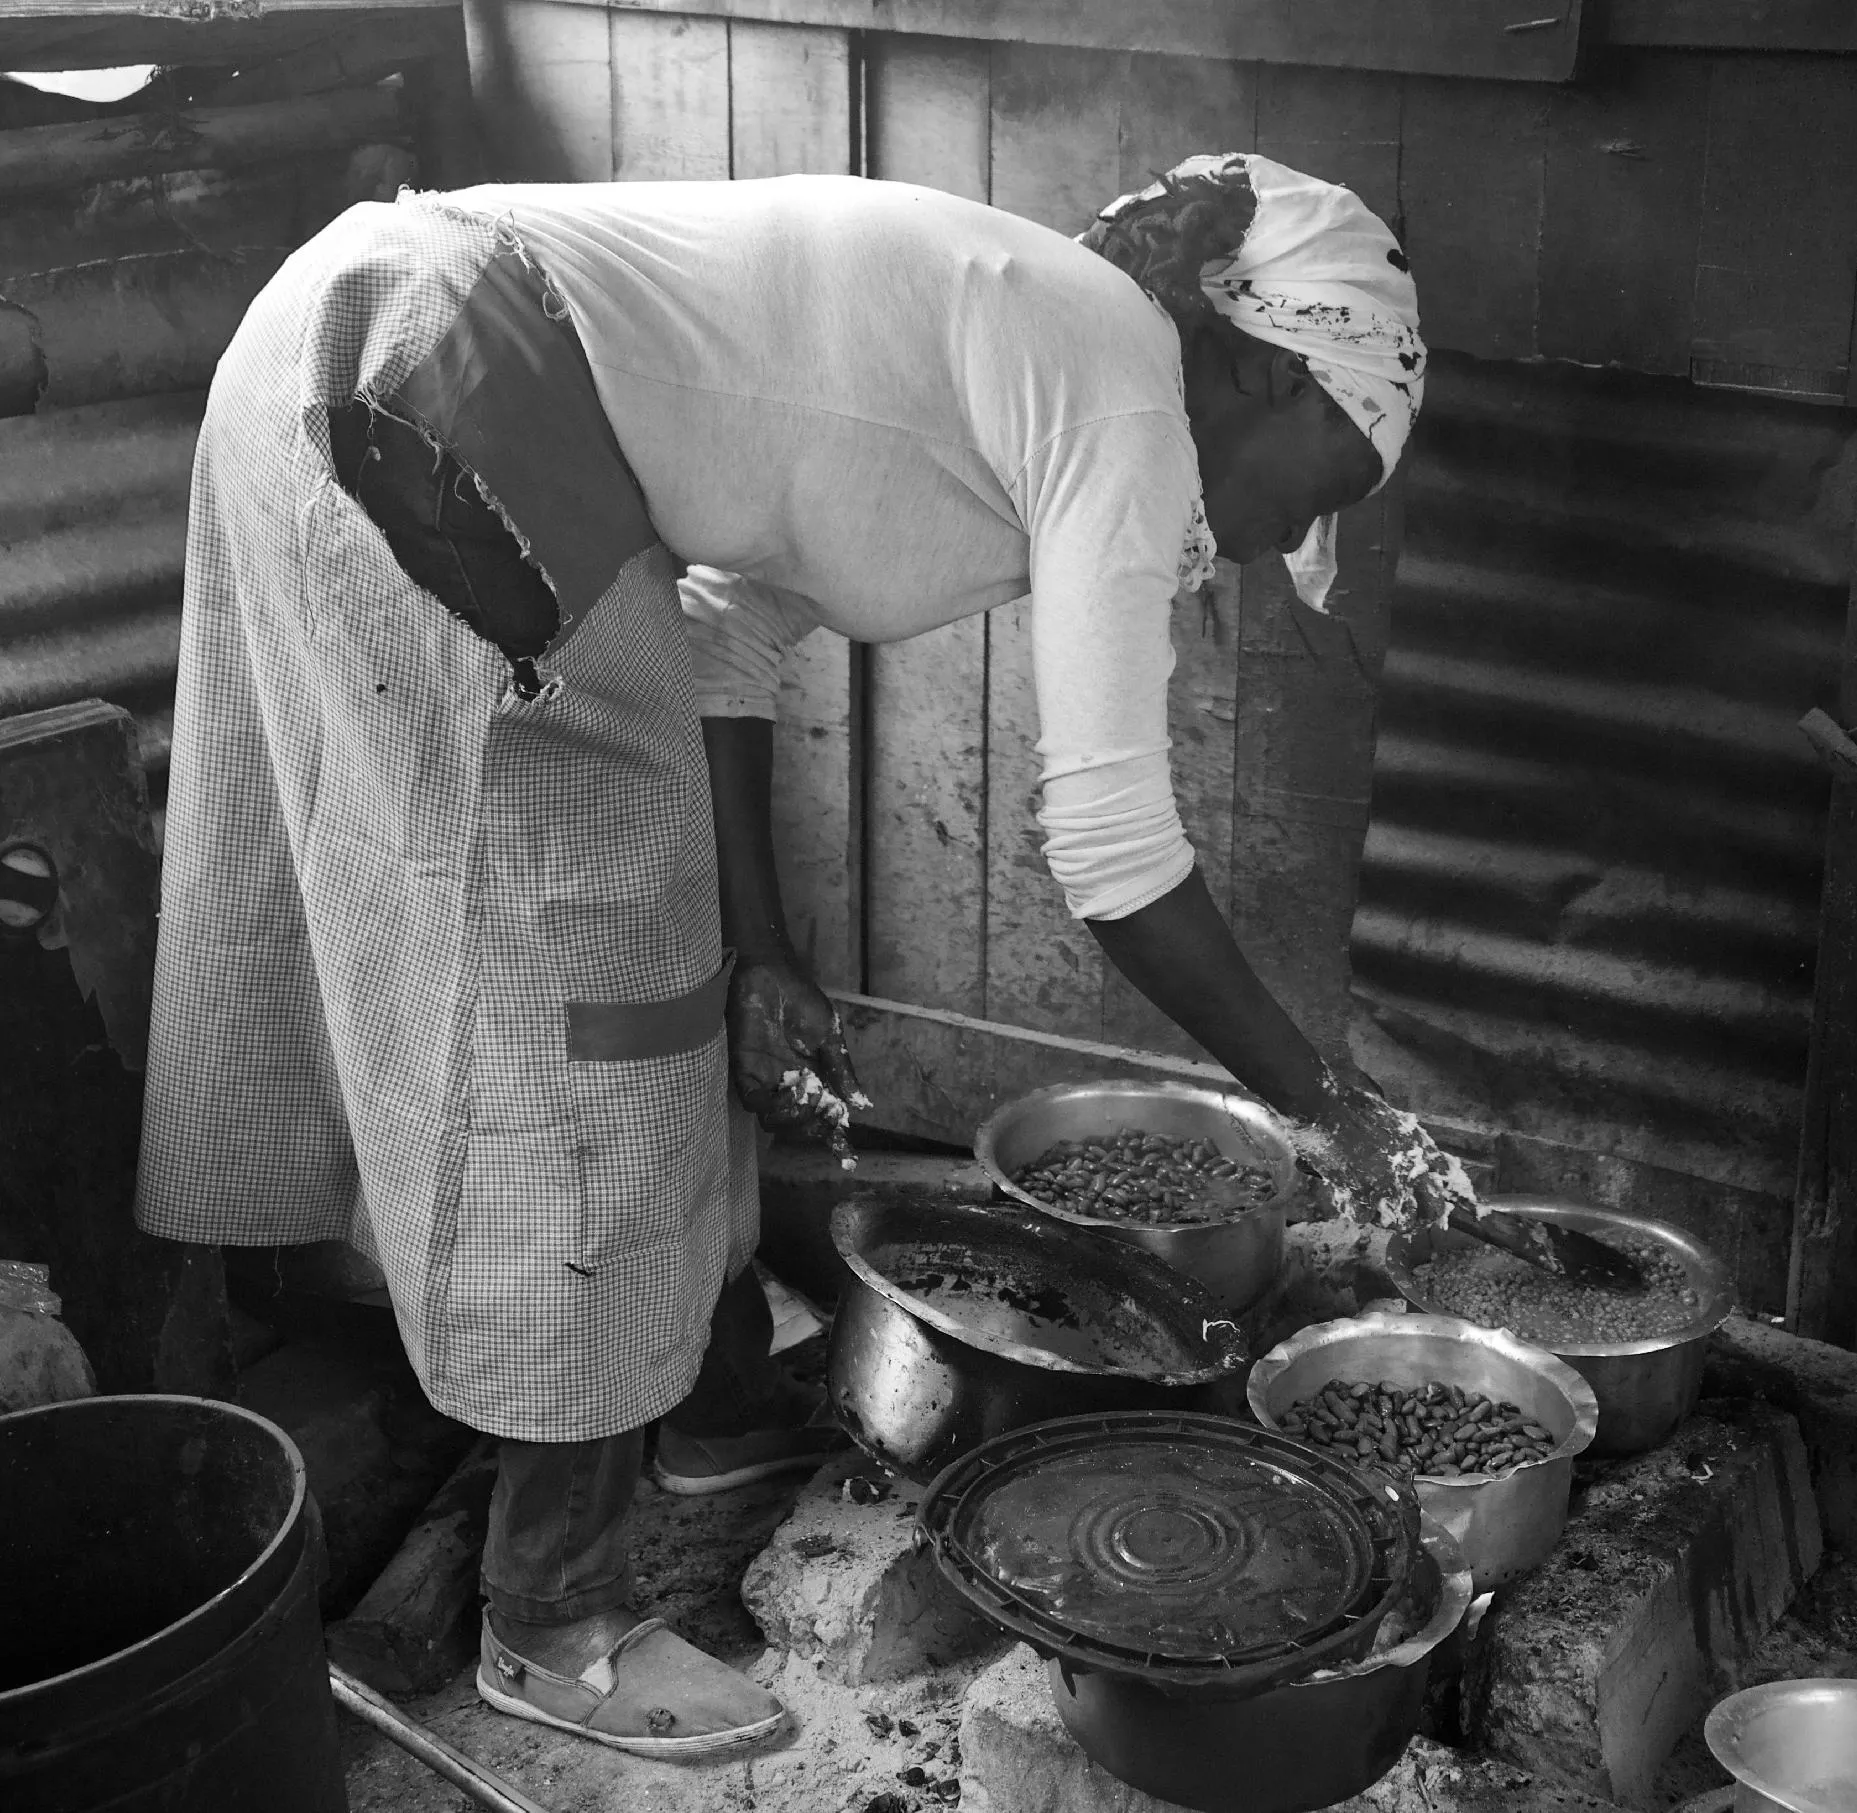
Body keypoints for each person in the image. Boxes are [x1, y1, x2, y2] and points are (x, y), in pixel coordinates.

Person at [135, 150, 1465, 1759]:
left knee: (667, 971)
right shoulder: (1117, 382)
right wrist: (1339, 1113)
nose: (1268, 548)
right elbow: (1114, 856)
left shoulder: (1036, 378)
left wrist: (762, 954)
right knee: (590, 1006)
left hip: (409, 377)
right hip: (429, 382)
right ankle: (550, 1625)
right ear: (1264, 365)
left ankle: (701, 1417)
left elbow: (728, 633)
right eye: (1310, 492)